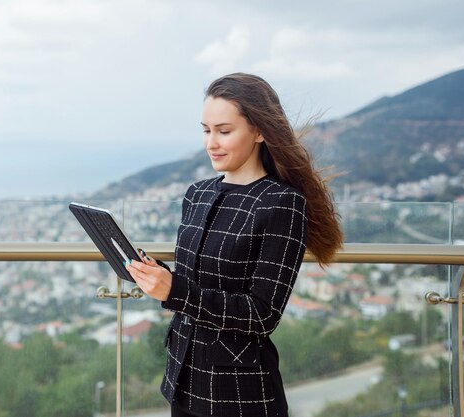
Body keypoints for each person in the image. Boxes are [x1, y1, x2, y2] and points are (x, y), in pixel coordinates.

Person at [125, 73, 343, 417]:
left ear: (259, 132)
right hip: (182, 381)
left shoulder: (281, 203)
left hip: (239, 394)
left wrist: (175, 290)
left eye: (224, 131)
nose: (211, 142)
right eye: (206, 130)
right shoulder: (197, 194)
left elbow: (263, 314)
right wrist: (158, 276)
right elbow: (195, 281)